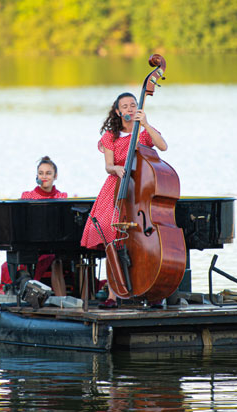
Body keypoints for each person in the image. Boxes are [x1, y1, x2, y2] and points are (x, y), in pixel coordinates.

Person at [80, 92, 168, 308]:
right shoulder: (111, 136)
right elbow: (108, 166)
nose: (129, 109)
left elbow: (163, 146)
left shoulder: (143, 134)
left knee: (142, 241)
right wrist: (116, 168)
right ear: (118, 112)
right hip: (117, 188)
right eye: (125, 107)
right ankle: (113, 294)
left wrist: (146, 124)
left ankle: (150, 289)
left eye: (133, 105)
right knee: (111, 233)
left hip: (140, 192)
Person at [2, 156, 69, 296]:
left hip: (55, 243)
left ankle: (62, 300)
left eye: (48, 173)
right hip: (32, 243)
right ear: (37, 176)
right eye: (41, 173)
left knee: (57, 259)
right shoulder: (28, 196)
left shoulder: (62, 196)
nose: (44, 176)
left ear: (55, 176)